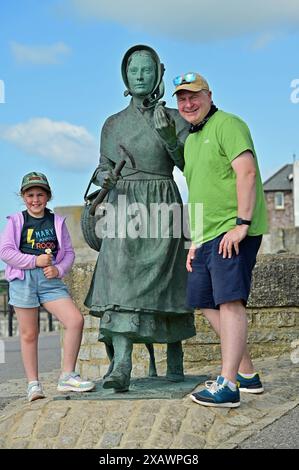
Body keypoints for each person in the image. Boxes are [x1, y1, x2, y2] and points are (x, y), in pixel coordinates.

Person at [84, 45, 196, 392]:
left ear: (158, 74)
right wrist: (105, 178)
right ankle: (122, 364)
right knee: (117, 279)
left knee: (169, 280)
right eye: (134, 71)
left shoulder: (175, 119)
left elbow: (187, 166)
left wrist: (168, 139)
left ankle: (174, 355)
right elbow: (103, 166)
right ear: (125, 76)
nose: (140, 76)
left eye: (147, 70)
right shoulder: (113, 124)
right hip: (123, 206)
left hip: (163, 203)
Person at [172, 73, 268, 408]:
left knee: (229, 302)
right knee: (204, 300)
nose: (188, 103)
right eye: (182, 99)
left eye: (194, 96)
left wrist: (241, 224)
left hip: (232, 229)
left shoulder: (228, 124)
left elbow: (247, 172)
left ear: (209, 95)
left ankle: (227, 385)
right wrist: (195, 240)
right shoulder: (191, 140)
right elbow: (200, 191)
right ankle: (247, 374)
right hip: (207, 234)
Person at [0, 172, 95, 402]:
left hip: (50, 281)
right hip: (24, 280)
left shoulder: (56, 221)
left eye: (40, 194)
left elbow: (69, 253)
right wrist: (34, 261)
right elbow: (6, 252)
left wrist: (59, 270)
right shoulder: (16, 221)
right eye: (30, 195)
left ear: (48, 196)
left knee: (75, 321)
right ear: (23, 197)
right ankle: (33, 384)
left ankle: (67, 376)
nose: (35, 199)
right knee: (30, 333)